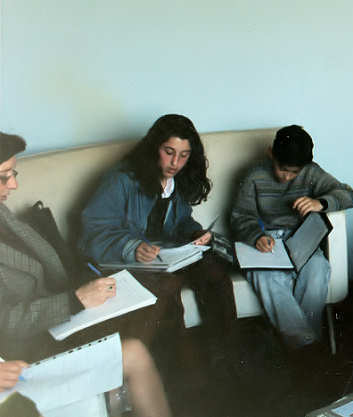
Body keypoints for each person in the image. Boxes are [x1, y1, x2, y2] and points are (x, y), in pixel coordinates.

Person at [0, 133, 171, 417]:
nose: (14, 185)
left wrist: (82, 291)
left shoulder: (2, 215)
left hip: (51, 324)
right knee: (135, 352)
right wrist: (75, 300)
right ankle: (113, 394)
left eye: (12, 174)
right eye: (4, 177)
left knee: (151, 303)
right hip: (27, 353)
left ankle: (114, 393)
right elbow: (6, 322)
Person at [78, 114, 236, 337]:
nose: (175, 163)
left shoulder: (177, 180)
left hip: (164, 257)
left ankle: (226, 349)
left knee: (214, 272)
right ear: (154, 148)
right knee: (167, 285)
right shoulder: (121, 179)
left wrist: (195, 232)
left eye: (183, 155)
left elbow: (182, 220)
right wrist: (132, 247)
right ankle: (180, 355)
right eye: (169, 152)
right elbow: (94, 231)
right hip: (124, 260)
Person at [231, 125, 353, 349]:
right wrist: (256, 236)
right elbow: (241, 216)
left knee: (318, 269)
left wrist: (320, 203)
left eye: (294, 172)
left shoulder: (311, 172)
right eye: (283, 169)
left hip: (301, 240)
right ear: (271, 154)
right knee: (267, 278)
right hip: (267, 240)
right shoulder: (254, 176)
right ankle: (307, 347)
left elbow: (348, 195)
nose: (287, 177)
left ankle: (300, 348)